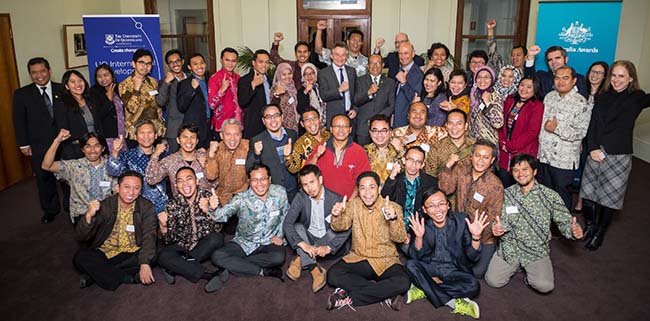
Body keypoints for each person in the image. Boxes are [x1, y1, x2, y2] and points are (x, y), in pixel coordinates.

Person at [485, 154, 584, 293]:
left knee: (545, 286)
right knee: (493, 281)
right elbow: (498, 220)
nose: (521, 174)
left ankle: (529, 273)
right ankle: (517, 266)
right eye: (516, 170)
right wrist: (496, 229)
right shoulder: (506, 194)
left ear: (535, 171)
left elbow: (565, 220)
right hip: (510, 247)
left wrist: (573, 230)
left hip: (535, 250)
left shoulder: (550, 196)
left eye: (525, 169)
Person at [580, 60, 650, 251]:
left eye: (621, 76)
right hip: (596, 152)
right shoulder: (602, 96)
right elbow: (593, 124)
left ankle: (600, 233)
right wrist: (592, 147)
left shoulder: (637, 97)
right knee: (587, 196)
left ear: (631, 79)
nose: (616, 80)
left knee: (608, 199)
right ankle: (591, 225)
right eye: (614, 75)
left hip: (619, 155)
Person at [326, 171, 410, 311]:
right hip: (359, 258)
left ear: (378, 189)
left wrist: (394, 219)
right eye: (363, 188)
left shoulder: (393, 207)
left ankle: (348, 296)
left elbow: (400, 238)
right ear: (358, 190)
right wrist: (336, 215)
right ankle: (385, 294)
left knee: (403, 282)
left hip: (386, 260)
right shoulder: (353, 205)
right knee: (333, 275)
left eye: (372, 187)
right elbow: (340, 226)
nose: (367, 192)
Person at [404, 187, 488, 319]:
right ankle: (453, 303)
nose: (437, 209)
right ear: (425, 210)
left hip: (454, 270)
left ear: (448, 205)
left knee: (474, 285)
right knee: (410, 265)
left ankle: (424, 288)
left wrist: (476, 237)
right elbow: (415, 257)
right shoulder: (421, 223)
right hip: (431, 267)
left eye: (441, 204)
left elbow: (473, 257)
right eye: (431, 206)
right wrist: (419, 237)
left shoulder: (461, 221)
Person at [73, 170, 157, 291]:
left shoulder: (146, 207)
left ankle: (95, 275)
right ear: (118, 188)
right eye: (126, 187)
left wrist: (144, 263)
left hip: (132, 252)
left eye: (136, 188)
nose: (131, 192)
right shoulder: (106, 205)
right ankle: (126, 278)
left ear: (140, 191)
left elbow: (149, 235)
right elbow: (81, 236)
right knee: (80, 257)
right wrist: (89, 215)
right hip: (107, 252)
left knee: (153, 256)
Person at [208, 164, 288, 289]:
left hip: (269, 241)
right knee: (217, 256)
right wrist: (213, 208)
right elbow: (221, 216)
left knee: (278, 257)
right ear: (249, 182)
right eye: (255, 180)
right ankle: (261, 271)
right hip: (244, 242)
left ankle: (232, 266)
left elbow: (285, 215)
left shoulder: (280, 192)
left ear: (270, 179)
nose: (259, 183)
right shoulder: (241, 199)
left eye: (263, 179)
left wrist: (279, 235)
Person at [438, 140, 504, 278]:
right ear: (471, 155)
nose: (480, 160)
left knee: (477, 272)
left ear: (492, 160)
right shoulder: (461, 171)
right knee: (448, 261)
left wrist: (476, 235)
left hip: (483, 236)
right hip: (458, 229)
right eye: (477, 155)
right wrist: (448, 166)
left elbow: (493, 216)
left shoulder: (495, 185)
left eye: (486, 157)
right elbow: (445, 188)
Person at [283, 165, 351, 293]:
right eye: (305, 184)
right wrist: (303, 245)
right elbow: (287, 223)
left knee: (334, 231)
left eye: (312, 182)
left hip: (327, 238)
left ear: (320, 180)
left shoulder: (336, 199)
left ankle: (300, 259)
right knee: (297, 226)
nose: (309, 188)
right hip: (309, 237)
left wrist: (329, 247)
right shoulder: (301, 196)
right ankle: (315, 268)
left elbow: (347, 229)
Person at [157, 167, 225, 292]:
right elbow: (169, 240)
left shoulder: (209, 197)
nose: (185, 184)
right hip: (182, 246)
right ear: (176, 185)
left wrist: (211, 211)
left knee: (217, 239)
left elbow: (218, 229)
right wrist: (164, 228)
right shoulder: (172, 204)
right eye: (180, 181)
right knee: (162, 255)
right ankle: (209, 274)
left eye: (189, 179)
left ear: (197, 181)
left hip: (202, 244)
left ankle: (174, 267)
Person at [12, 57, 63, 223]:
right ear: (30, 74)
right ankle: (50, 209)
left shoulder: (62, 89)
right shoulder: (21, 94)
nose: (39, 75)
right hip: (39, 144)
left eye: (42, 71)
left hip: (64, 142)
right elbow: (19, 121)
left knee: (67, 177)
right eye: (34, 72)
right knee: (44, 178)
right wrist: (23, 144)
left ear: (49, 71)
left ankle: (72, 207)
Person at [537, 66, 591, 210]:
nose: (560, 81)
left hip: (563, 160)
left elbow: (581, 132)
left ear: (574, 81)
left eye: (565, 78)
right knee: (544, 192)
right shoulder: (549, 97)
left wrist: (557, 129)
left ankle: (562, 228)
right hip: (544, 156)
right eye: (557, 78)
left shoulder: (581, 103)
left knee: (561, 195)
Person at [42, 130, 115, 223]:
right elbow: (46, 166)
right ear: (82, 150)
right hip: (82, 215)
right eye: (88, 146)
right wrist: (57, 141)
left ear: (103, 148)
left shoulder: (111, 167)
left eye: (97, 146)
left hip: (106, 215)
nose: (92, 150)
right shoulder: (74, 166)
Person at [381, 146, 438, 253]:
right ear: (404, 160)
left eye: (418, 162)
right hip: (396, 228)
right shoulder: (396, 179)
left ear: (423, 164)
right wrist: (392, 176)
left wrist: (414, 234)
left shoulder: (431, 182)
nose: (413, 165)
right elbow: (385, 198)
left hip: (420, 230)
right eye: (410, 160)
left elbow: (432, 211)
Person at [106, 120, 169, 215]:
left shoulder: (164, 156)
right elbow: (112, 171)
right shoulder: (128, 155)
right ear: (135, 136)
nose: (146, 136)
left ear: (156, 135)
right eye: (142, 133)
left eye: (150, 133)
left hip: (160, 208)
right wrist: (115, 151)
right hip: (135, 207)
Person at [306, 114, 370, 199]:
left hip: (349, 203)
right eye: (337, 126)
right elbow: (306, 174)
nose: (341, 130)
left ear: (350, 129)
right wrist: (316, 156)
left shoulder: (359, 151)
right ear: (331, 129)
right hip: (323, 202)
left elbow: (364, 180)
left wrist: (349, 204)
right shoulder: (321, 147)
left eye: (345, 126)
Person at [574, 61, 609, 213]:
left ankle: (583, 201)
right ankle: (580, 199)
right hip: (580, 137)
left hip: (596, 140)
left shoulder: (606, 96)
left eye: (599, 73)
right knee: (581, 169)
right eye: (593, 72)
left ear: (605, 77)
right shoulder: (581, 91)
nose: (595, 75)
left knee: (592, 172)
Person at [497, 75, 544, 187]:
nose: (524, 89)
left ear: (535, 89)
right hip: (504, 153)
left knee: (521, 187)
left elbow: (532, 132)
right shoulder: (510, 100)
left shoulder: (537, 106)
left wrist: (510, 146)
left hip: (523, 152)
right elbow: (500, 123)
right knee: (505, 187)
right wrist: (502, 143)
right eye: (522, 85)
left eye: (529, 87)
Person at [246, 104, 299, 201]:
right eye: (268, 117)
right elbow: (249, 169)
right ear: (263, 121)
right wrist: (256, 155)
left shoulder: (292, 134)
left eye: (276, 116)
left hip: (294, 191)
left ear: (282, 117)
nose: (273, 120)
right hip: (273, 194)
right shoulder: (257, 140)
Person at [146, 123, 213, 196]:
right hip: (180, 205)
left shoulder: (205, 157)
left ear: (197, 141)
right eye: (185, 137)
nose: (189, 141)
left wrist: (206, 167)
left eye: (192, 137)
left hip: (205, 204)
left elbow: (215, 184)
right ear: (178, 140)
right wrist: (155, 155)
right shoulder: (170, 161)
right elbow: (151, 179)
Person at [119, 49, 165, 147]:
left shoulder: (153, 82)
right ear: (133, 64)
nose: (145, 66)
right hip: (135, 134)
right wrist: (136, 88)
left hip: (155, 132)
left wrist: (161, 126)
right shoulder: (125, 84)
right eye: (142, 63)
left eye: (148, 63)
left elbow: (157, 106)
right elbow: (131, 108)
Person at [55, 70, 103, 160]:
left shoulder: (91, 100)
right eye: (72, 82)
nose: (78, 84)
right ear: (67, 86)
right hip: (76, 152)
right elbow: (63, 132)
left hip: (96, 150)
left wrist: (104, 149)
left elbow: (99, 126)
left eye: (80, 81)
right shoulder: (62, 104)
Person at [204, 118, 250, 205]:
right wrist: (211, 155)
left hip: (244, 198)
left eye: (236, 134)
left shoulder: (248, 147)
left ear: (241, 135)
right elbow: (211, 176)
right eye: (228, 134)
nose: (232, 139)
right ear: (221, 135)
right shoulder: (216, 149)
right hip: (223, 199)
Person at [353, 54, 396, 145]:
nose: (375, 66)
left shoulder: (390, 82)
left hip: (382, 129)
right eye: (372, 63)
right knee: (362, 155)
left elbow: (391, 105)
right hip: (363, 128)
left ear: (383, 65)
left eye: (378, 63)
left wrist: (376, 119)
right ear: (368, 66)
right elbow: (356, 100)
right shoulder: (360, 80)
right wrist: (368, 93)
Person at [317, 41, 357, 127]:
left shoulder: (352, 71)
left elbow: (356, 94)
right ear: (331, 56)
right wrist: (339, 90)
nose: (340, 58)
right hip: (333, 118)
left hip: (350, 118)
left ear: (347, 56)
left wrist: (355, 109)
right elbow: (323, 95)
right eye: (337, 54)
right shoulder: (323, 73)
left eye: (343, 55)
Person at [425, 109, 475, 178]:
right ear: (446, 126)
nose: (454, 127)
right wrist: (447, 167)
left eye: (459, 123)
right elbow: (429, 177)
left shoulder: (475, 146)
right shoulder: (435, 148)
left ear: (466, 126)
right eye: (451, 123)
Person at [524, 45, 588, 98]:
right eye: (550, 60)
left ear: (566, 59)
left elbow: (583, 100)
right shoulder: (542, 77)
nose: (554, 62)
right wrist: (531, 56)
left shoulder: (579, 79)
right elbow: (528, 78)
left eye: (557, 58)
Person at [177, 53, 212, 149]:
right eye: (195, 64)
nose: (200, 66)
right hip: (194, 130)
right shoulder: (184, 84)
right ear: (189, 67)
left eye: (202, 63)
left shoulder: (211, 81)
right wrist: (192, 89)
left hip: (210, 128)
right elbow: (181, 106)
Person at [156, 49, 187, 153]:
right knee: (174, 162)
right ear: (168, 65)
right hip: (174, 130)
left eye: (177, 61)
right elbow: (160, 102)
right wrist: (166, 82)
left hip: (192, 128)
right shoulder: (164, 82)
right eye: (171, 62)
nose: (175, 64)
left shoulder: (192, 78)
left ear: (182, 61)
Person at [209, 47, 242, 140]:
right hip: (222, 126)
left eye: (233, 61)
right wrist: (221, 90)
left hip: (238, 124)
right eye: (227, 60)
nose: (230, 64)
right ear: (221, 60)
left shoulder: (239, 78)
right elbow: (211, 104)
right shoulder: (215, 79)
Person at [91, 64, 125, 153]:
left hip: (123, 134)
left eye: (106, 75)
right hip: (108, 136)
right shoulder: (93, 92)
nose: (103, 79)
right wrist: (109, 99)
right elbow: (97, 116)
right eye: (99, 76)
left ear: (112, 75)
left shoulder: (118, 89)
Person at [285, 108, 331, 174]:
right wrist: (287, 157)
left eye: (314, 118)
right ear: (302, 124)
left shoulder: (329, 135)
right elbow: (294, 169)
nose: (312, 122)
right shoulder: (300, 143)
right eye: (307, 120)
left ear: (320, 119)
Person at [239, 49, 272, 138]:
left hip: (270, 123)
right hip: (254, 126)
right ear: (253, 63)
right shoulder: (245, 80)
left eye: (267, 62)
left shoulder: (269, 79)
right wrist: (253, 85)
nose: (264, 65)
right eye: (261, 62)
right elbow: (242, 102)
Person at [469, 66, 504, 147]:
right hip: (473, 143)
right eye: (479, 77)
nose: (482, 80)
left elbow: (498, 123)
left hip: (489, 144)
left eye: (486, 77)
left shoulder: (495, 96)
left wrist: (487, 102)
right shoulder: (474, 95)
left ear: (492, 80)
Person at [393, 42, 424, 128]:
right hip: (396, 119)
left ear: (413, 53)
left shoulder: (418, 74)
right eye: (400, 53)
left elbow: (415, 100)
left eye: (406, 53)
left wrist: (404, 83)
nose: (403, 57)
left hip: (407, 122)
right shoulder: (400, 70)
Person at [364, 114, 401, 184]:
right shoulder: (364, 152)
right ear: (370, 132)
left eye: (384, 131)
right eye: (375, 131)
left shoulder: (399, 150)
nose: (379, 134)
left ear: (390, 132)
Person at [297, 63, 327, 130]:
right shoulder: (301, 90)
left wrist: (325, 125)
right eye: (306, 74)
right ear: (303, 76)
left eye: (312, 73)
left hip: (324, 126)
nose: (309, 76)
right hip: (308, 128)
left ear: (316, 74)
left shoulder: (321, 88)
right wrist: (306, 91)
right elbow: (300, 109)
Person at [271, 62, 300, 133]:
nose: (287, 77)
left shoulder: (293, 86)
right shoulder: (276, 88)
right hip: (283, 126)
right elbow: (272, 107)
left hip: (296, 124)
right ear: (279, 75)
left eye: (289, 73)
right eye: (284, 74)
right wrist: (277, 94)